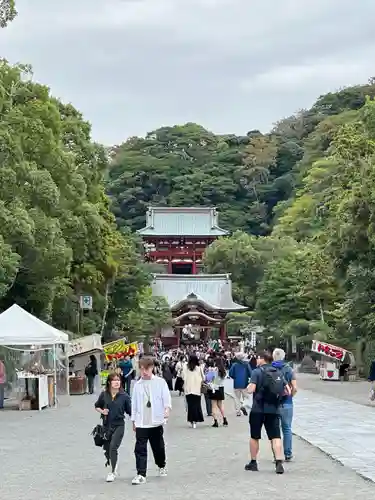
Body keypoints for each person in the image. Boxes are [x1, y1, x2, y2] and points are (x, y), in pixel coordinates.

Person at [245, 349, 290, 475]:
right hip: (273, 409)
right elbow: (287, 391)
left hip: (258, 409)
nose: (256, 360)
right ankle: (278, 462)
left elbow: (251, 389)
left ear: (262, 359)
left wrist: (248, 387)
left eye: (258, 358)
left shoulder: (256, 372)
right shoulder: (278, 372)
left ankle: (253, 462)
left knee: (255, 436)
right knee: (275, 436)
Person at [131, 356, 171, 485]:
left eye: (146, 368)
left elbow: (166, 398)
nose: (144, 371)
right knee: (140, 448)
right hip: (141, 421)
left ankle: (161, 465)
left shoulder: (160, 382)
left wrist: (167, 409)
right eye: (142, 369)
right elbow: (134, 404)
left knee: (158, 446)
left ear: (152, 368)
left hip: (156, 420)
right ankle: (141, 473)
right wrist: (133, 421)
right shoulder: (137, 385)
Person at [94, 372, 131, 482]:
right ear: (109, 382)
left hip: (119, 425)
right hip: (107, 426)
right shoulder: (104, 394)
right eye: (114, 380)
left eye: (118, 380)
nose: (117, 382)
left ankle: (113, 471)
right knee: (109, 448)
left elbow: (130, 411)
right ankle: (113, 465)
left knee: (113, 446)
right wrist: (102, 411)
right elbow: (97, 406)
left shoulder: (124, 396)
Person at [272, 348, 297, 462]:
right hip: (287, 403)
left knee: (274, 430)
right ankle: (288, 454)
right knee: (287, 429)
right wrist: (290, 395)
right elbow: (295, 388)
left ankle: (277, 455)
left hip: (272, 403)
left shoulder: (269, 369)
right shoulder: (288, 369)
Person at [182, 354, 204, 429]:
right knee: (196, 405)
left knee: (190, 406)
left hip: (188, 389)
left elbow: (183, 377)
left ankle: (192, 420)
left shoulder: (186, 368)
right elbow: (203, 378)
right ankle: (195, 420)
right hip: (197, 389)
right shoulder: (199, 368)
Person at [229, 352, 252, 416]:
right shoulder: (246, 364)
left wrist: (235, 378)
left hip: (236, 384)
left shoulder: (234, 365)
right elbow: (251, 373)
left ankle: (238, 412)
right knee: (247, 397)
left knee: (237, 398)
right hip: (245, 383)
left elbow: (230, 374)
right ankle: (243, 406)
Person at [209, 357, 228, 427]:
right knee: (220, 405)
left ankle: (215, 421)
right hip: (221, 388)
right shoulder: (224, 371)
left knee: (213, 406)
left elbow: (209, 378)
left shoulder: (213, 370)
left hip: (214, 388)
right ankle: (224, 419)